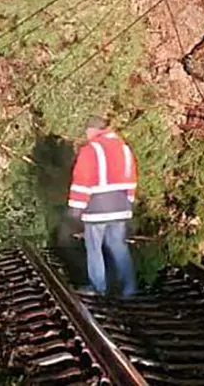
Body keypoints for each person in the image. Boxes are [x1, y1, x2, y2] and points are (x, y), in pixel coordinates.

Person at [67, 117, 137, 297]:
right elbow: (131, 177)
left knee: (94, 247)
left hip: (97, 208)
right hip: (121, 205)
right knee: (118, 245)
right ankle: (129, 287)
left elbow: (82, 180)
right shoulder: (124, 147)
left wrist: (76, 207)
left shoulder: (91, 149)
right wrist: (129, 201)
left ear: (91, 131)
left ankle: (99, 287)